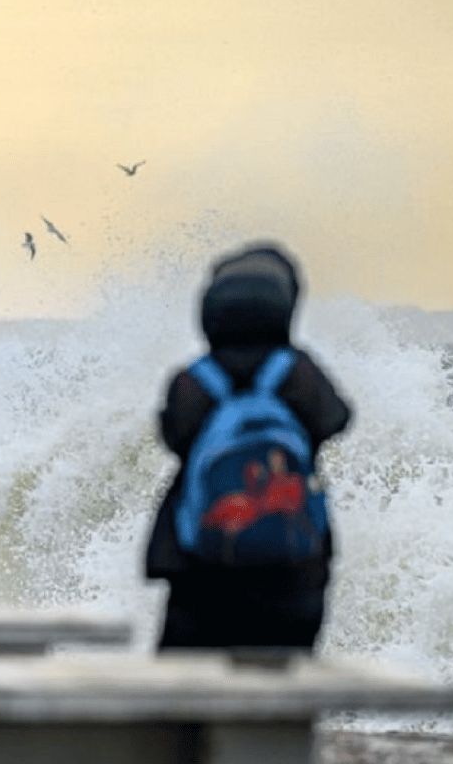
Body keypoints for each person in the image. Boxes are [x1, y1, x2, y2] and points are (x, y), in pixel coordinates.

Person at [145, 241, 352, 651]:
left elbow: (173, 436)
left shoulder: (194, 380)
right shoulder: (299, 373)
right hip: (294, 569)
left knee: (187, 683)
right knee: (286, 678)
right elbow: (337, 420)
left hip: (201, 566)